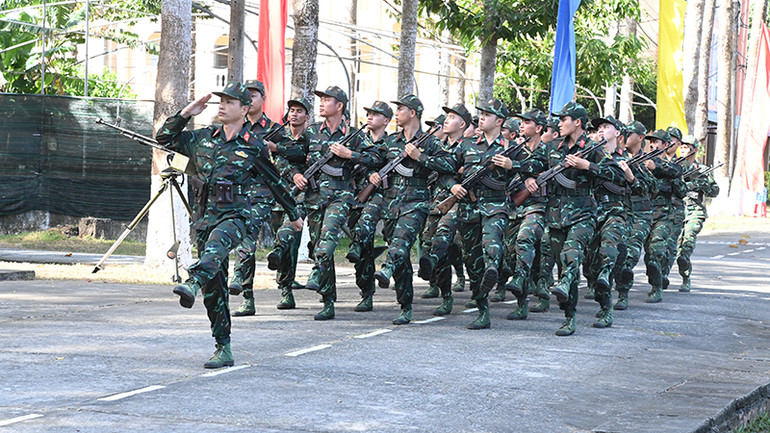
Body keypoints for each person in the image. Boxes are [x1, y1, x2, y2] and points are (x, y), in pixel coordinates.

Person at [157, 81, 302, 368]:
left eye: (229, 102)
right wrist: (187, 112)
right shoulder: (203, 138)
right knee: (216, 287)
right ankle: (223, 346)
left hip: (237, 216)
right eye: (220, 101)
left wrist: (294, 214)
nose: (222, 105)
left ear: (244, 109)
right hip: (205, 217)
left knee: (216, 247)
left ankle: (192, 281)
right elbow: (164, 137)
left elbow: (275, 182)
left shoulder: (253, 146)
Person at [371, 94, 454, 325]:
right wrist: (373, 173)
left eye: (401, 109)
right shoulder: (390, 142)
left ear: (413, 113)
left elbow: (449, 165)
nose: (396, 113)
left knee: (401, 241)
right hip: (391, 205)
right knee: (402, 255)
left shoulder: (429, 142)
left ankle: (386, 268)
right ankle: (405, 304)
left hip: (416, 203)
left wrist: (421, 157)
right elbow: (373, 160)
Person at [300, 86, 380, 320]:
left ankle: (322, 282)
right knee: (318, 249)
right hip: (314, 199)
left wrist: (350, 155)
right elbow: (292, 155)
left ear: (340, 106)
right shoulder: (312, 131)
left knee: (327, 243)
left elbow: (375, 158)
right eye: (321, 100)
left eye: (327, 100)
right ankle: (328, 300)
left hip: (341, 196)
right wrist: (295, 173)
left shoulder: (354, 135)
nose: (322, 103)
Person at [545, 102, 623, 336]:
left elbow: (617, 174)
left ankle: (606, 309)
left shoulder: (593, 148)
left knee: (572, 255)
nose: (559, 124)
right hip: (557, 215)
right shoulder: (553, 148)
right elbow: (534, 167)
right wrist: (527, 175)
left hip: (584, 213)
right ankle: (570, 317)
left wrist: (588, 166)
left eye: (563, 119)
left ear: (577, 122)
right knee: (565, 266)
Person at [442, 98, 520, 329]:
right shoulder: (466, 146)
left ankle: (496, 266)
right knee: (472, 262)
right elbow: (444, 169)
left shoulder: (510, 149)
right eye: (481, 113)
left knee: (492, 242)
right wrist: (452, 186)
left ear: (500, 121)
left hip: (495, 207)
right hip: (467, 209)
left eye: (488, 114)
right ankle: (482, 310)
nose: (482, 117)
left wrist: (511, 166)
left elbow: (536, 167)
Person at [582, 116, 647, 328]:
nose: (600, 130)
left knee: (607, 259)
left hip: (616, 214)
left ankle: (606, 310)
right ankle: (601, 294)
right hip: (589, 215)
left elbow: (646, 189)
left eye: (606, 127)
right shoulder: (588, 155)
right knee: (591, 266)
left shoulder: (627, 160)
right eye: (598, 127)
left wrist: (630, 177)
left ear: (618, 133)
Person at [228, 79, 281, 317]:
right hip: (237, 192)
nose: (250, 100)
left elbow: (296, 152)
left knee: (247, 232)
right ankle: (247, 297)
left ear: (263, 99)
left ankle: (239, 277)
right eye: (246, 96)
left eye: (254, 95)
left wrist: (274, 148)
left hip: (262, 193)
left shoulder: (273, 128)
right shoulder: (234, 126)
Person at [417, 103, 474, 316]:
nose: (446, 120)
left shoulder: (469, 147)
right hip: (438, 201)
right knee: (430, 242)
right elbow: (440, 170)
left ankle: (476, 291)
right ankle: (445, 294)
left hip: (462, 203)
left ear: (462, 124)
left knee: (448, 240)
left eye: (452, 117)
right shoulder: (441, 147)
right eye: (446, 117)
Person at [495, 109, 548, 321]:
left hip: (540, 206)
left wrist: (517, 167)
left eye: (528, 122)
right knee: (512, 253)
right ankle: (522, 302)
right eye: (523, 122)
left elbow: (547, 169)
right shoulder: (516, 149)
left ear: (539, 128)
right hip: (515, 208)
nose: (523, 125)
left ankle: (538, 291)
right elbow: (503, 174)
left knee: (525, 241)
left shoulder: (548, 151)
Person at [264, 96, 313, 310]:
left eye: (299, 111)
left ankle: (286, 291)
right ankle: (285, 275)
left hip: (301, 193)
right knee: (282, 239)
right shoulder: (278, 133)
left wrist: (279, 149)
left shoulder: (311, 137)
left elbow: (305, 154)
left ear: (307, 117)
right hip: (278, 190)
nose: (294, 113)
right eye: (292, 110)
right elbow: (278, 160)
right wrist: (293, 171)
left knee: (289, 237)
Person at [345, 100, 393, 312]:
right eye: (369, 113)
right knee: (362, 248)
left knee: (365, 226)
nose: (370, 117)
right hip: (357, 196)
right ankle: (366, 292)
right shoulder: (357, 140)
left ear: (386, 120)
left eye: (376, 114)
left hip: (381, 196)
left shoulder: (391, 143)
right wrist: (366, 172)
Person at [614, 121, 658, 310]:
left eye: (628, 133)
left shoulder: (647, 161)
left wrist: (632, 177)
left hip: (641, 213)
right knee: (613, 254)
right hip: (619, 211)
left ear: (640, 138)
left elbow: (653, 188)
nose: (623, 137)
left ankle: (623, 294)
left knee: (630, 253)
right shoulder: (616, 157)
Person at [642, 129, 684, 303]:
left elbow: (680, 185)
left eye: (657, 142)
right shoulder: (642, 162)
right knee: (647, 254)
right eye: (651, 142)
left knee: (657, 250)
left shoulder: (672, 166)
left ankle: (657, 287)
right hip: (643, 215)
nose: (653, 145)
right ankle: (656, 279)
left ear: (666, 145)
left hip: (664, 216)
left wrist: (657, 168)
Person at [676, 135, 719, 292]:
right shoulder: (673, 167)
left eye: (686, 147)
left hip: (695, 211)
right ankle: (661, 279)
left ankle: (686, 278)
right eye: (681, 146)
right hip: (676, 211)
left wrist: (703, 185)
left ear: (694, 150)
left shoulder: (702, 170)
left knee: (686, 244)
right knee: (671, 248)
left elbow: (715, 191)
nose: (682, 149)